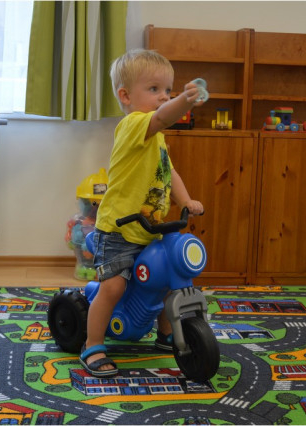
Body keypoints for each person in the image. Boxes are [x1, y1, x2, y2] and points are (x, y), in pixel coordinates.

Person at [80, 49, 206, 377]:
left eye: (168, 90)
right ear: (126, 96)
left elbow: (170, 173)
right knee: (113, 288)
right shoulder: (133, 125)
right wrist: (185, 101)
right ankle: (93, 345)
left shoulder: (157, 139)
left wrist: (187, 200)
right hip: (119, 230)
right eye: (154, 89)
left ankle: (167, 334)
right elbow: (163, 116)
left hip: (150, 228)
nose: (164, 96)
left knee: (163, 280)